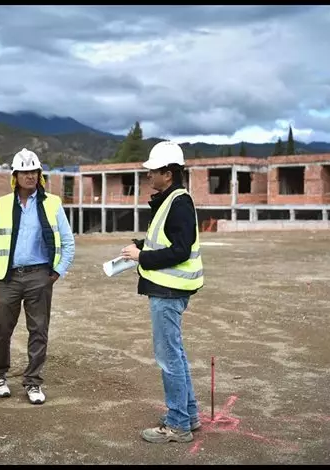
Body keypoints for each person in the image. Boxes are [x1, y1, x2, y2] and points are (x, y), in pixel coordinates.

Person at [120, 141, 204, 444]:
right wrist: (140, 247)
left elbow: (180, 250)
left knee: (169, 357)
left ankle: (178, 424)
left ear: (167, 173)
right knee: (175, 355)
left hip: (169, 290)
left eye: (152, 171)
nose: (148, 176)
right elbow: (164, 241)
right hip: (168, 289)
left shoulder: (179, 202)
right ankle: (188, 415)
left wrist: (143, 257)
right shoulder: (170, 199)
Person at [0, 148, 75, 404]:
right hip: (7, 278)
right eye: (24, 171)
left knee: (38, 331)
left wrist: (56, 273)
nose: (29, 176)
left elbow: (68, 242)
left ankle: (33, 382)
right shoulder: (2, 205)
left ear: (39, 174)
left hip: (39, 275)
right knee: (1, 329)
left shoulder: (52, 203)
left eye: (33, 171)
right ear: (15, 175)